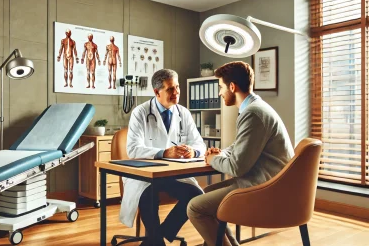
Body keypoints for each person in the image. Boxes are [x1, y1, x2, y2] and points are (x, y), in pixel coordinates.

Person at [187, 61, 294, 246]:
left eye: (220, 87)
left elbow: (237, 167)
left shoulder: (253, 114)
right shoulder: (255, 108)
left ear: (232, 86)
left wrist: (213, 159)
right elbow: (240, 145)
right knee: (207, 193)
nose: (219, 93)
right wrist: (221, 152)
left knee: (195, 208)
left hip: (266, 189)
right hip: (268, 182)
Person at [123, 69, 206, 245]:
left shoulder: (183, 113)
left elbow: (200, 144)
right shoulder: (140, 112)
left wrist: (193, 151)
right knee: (148, 196)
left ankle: (158, 235)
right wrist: (164, 152)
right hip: (145, 175)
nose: (176, 92)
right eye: (170, 89)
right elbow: (133, 149)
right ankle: (156, 241)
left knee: (196, 195)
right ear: (156, 92)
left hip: (173, 174)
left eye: (177, 87)